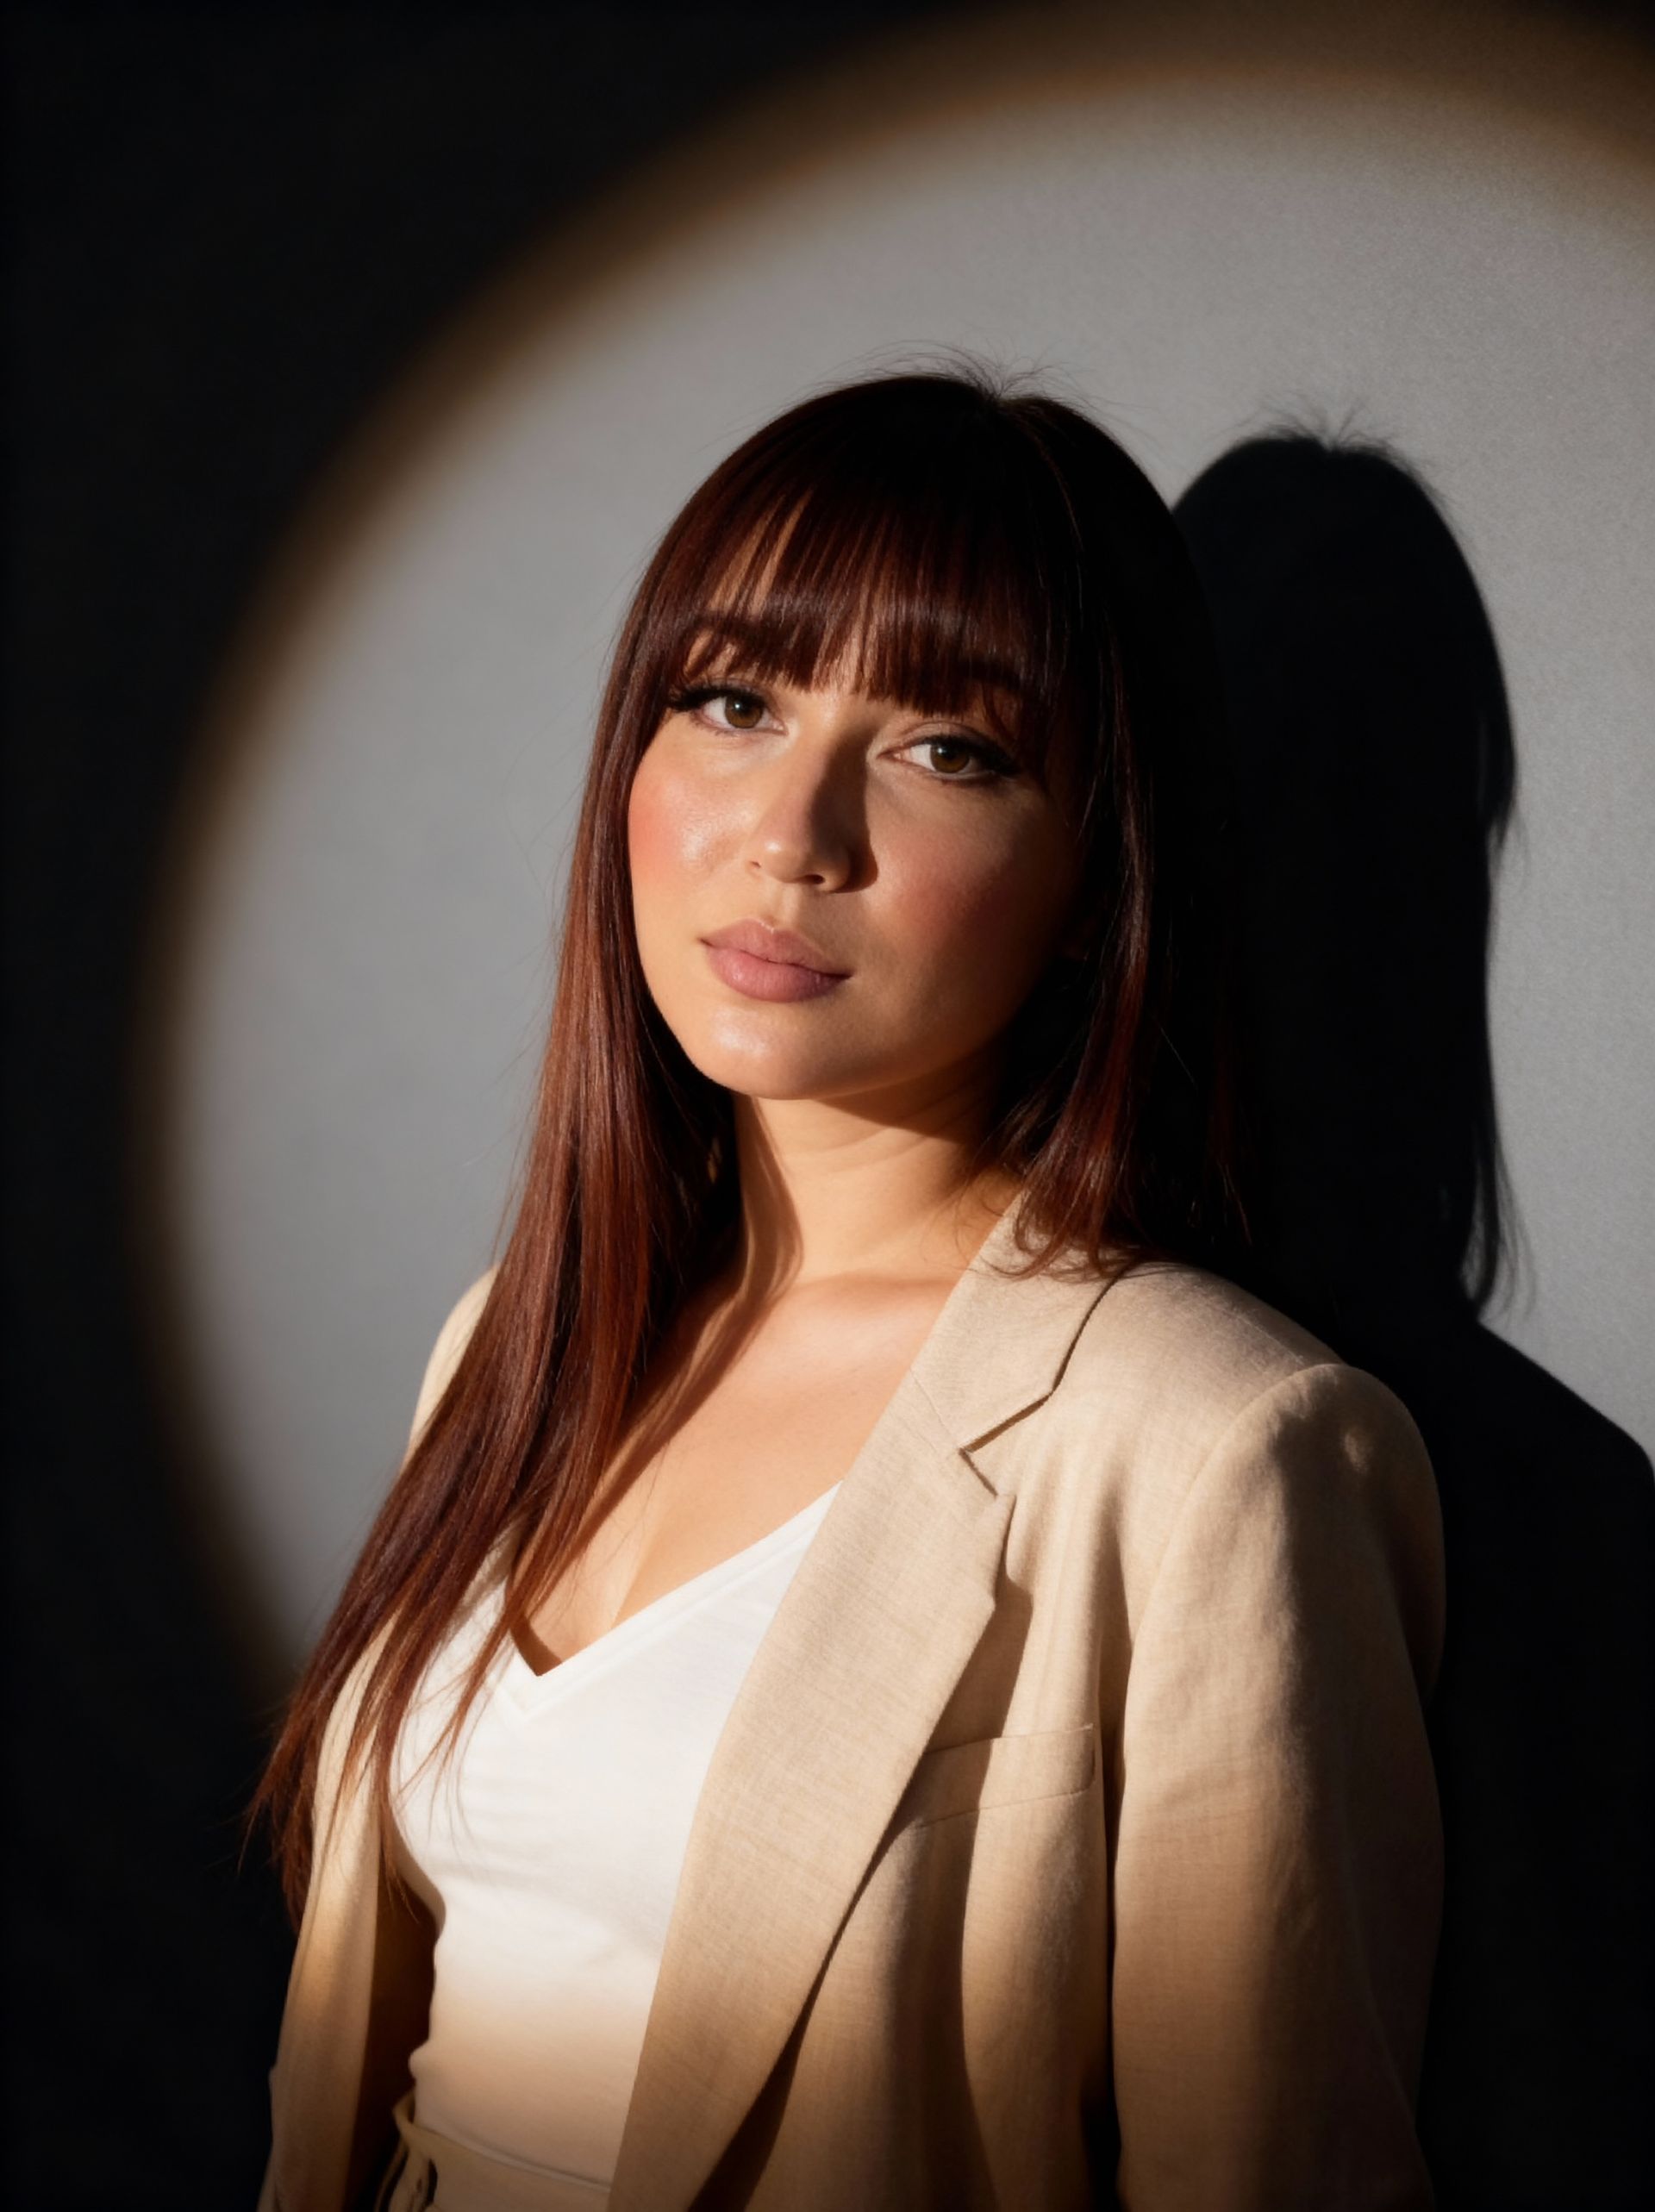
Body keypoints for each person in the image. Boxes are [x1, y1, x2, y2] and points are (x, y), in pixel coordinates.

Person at [249, 359, 1446, 2212]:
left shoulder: (1219, 1448)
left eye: (947, 748)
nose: (793, 832)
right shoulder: (510, 1341)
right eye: (731, 700)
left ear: (1093, 873)